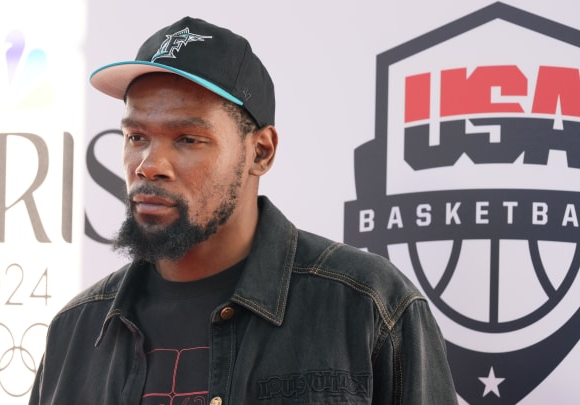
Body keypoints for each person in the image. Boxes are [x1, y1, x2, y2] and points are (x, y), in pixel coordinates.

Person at [30, 16, 458, 405]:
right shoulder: (76, 331)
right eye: (137, 136)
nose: (149, 165)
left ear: (261, 152)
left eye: (187, 139)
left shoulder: (368, 305)